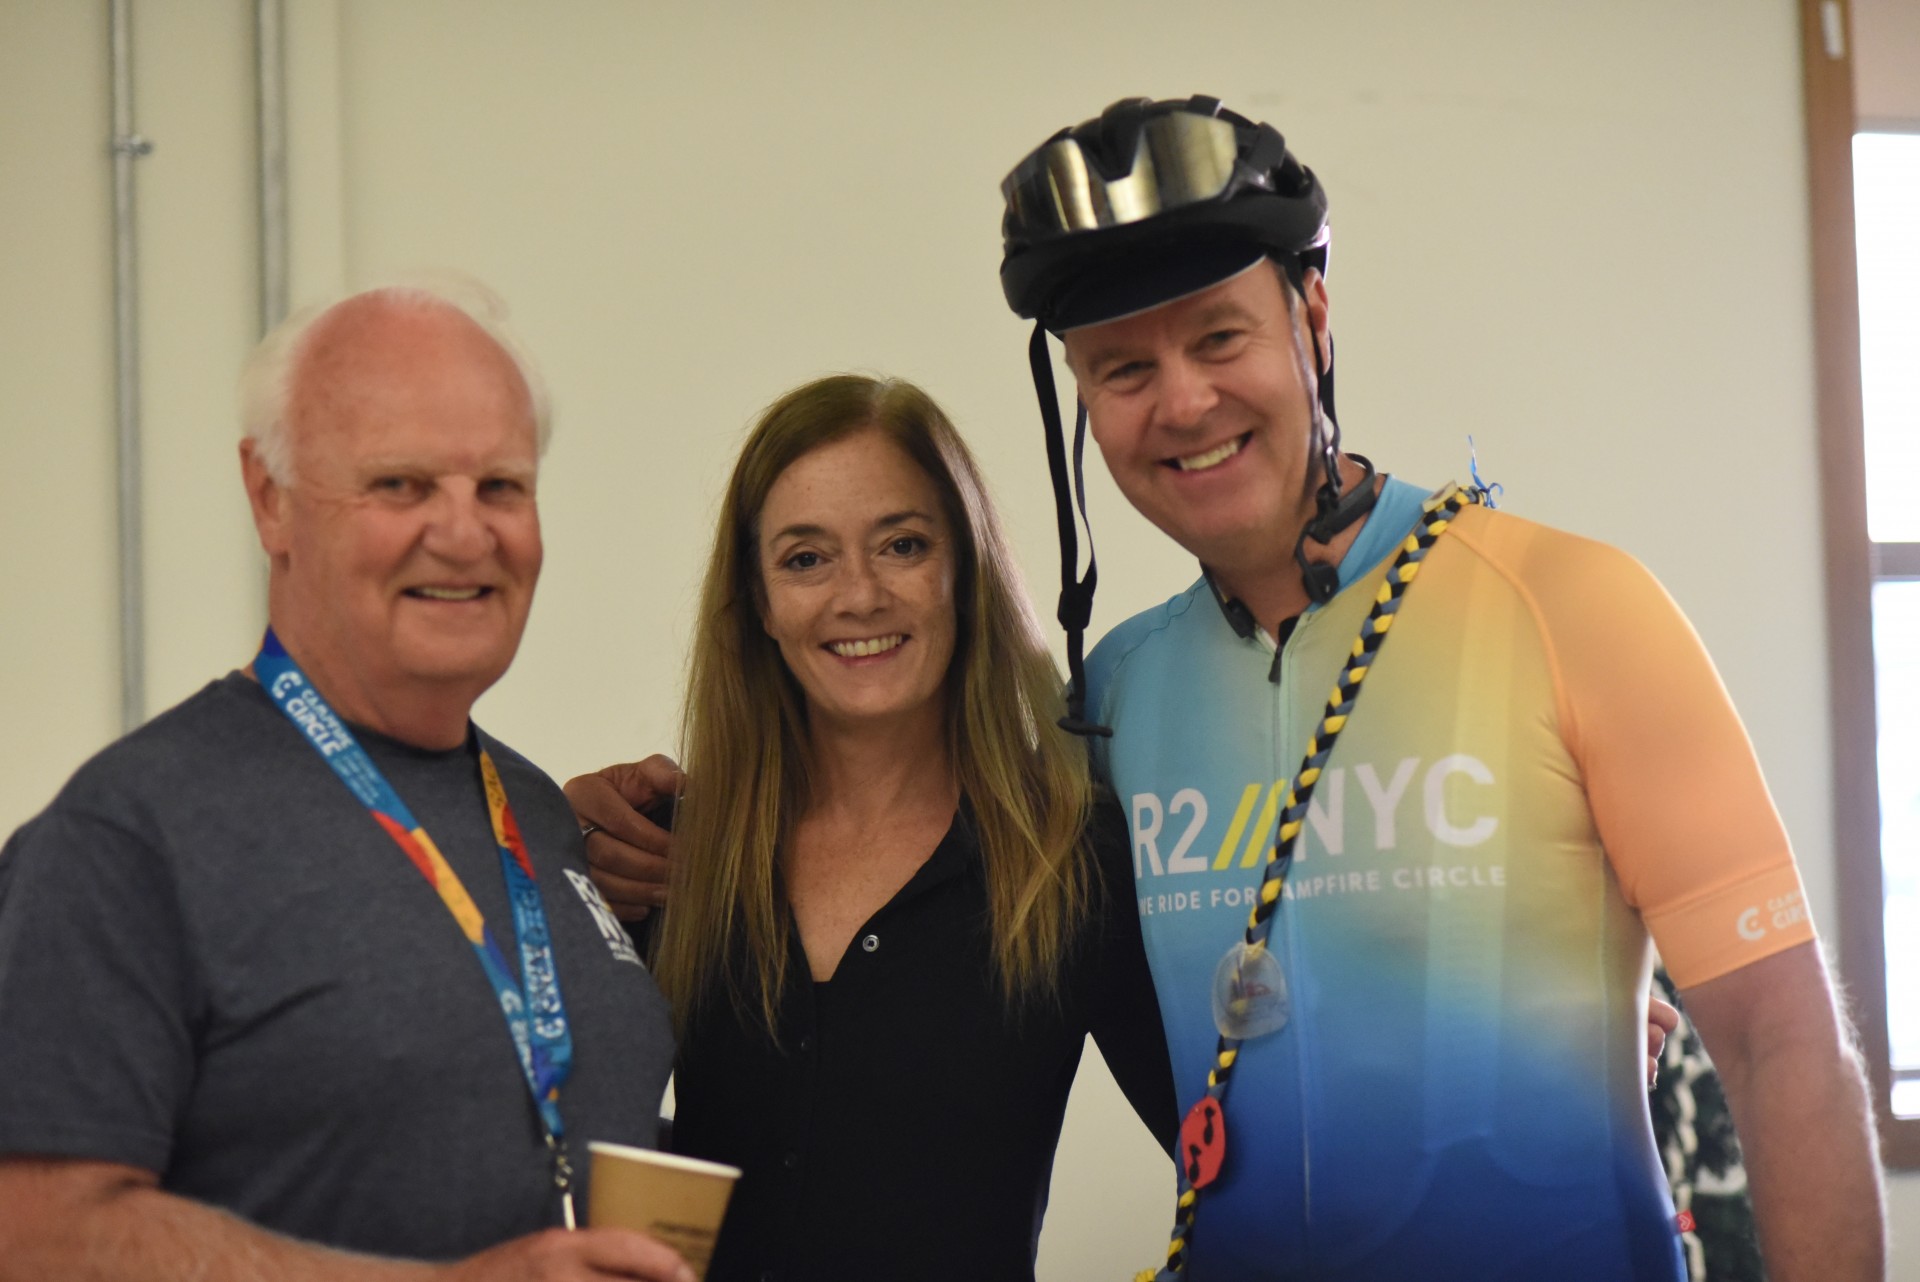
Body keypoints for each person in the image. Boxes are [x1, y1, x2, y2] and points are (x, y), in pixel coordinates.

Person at [992, 95, 1885, 1281]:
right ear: (1084, 406)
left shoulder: (1572, 606)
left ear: (1311, 316)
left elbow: (1783, 1045)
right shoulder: (1113, 697)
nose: (1184, 403)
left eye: (1219, 337)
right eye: (1123, 369)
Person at [0, 282, 692, 1282]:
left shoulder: (538, 814)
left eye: (500, 485)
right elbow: (32, 1234)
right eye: (401, 485)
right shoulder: (128, 836)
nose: (464, 533)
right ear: (269, 497)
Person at [567, 374, 1175, 1282]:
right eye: (806, 559)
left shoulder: (1070, 865)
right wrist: (541, 853)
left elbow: (1238, 1170)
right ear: (759, 604)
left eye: (901, 544)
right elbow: (520, 1141)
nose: (859, 596)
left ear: (963, 572)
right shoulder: (663, 855)